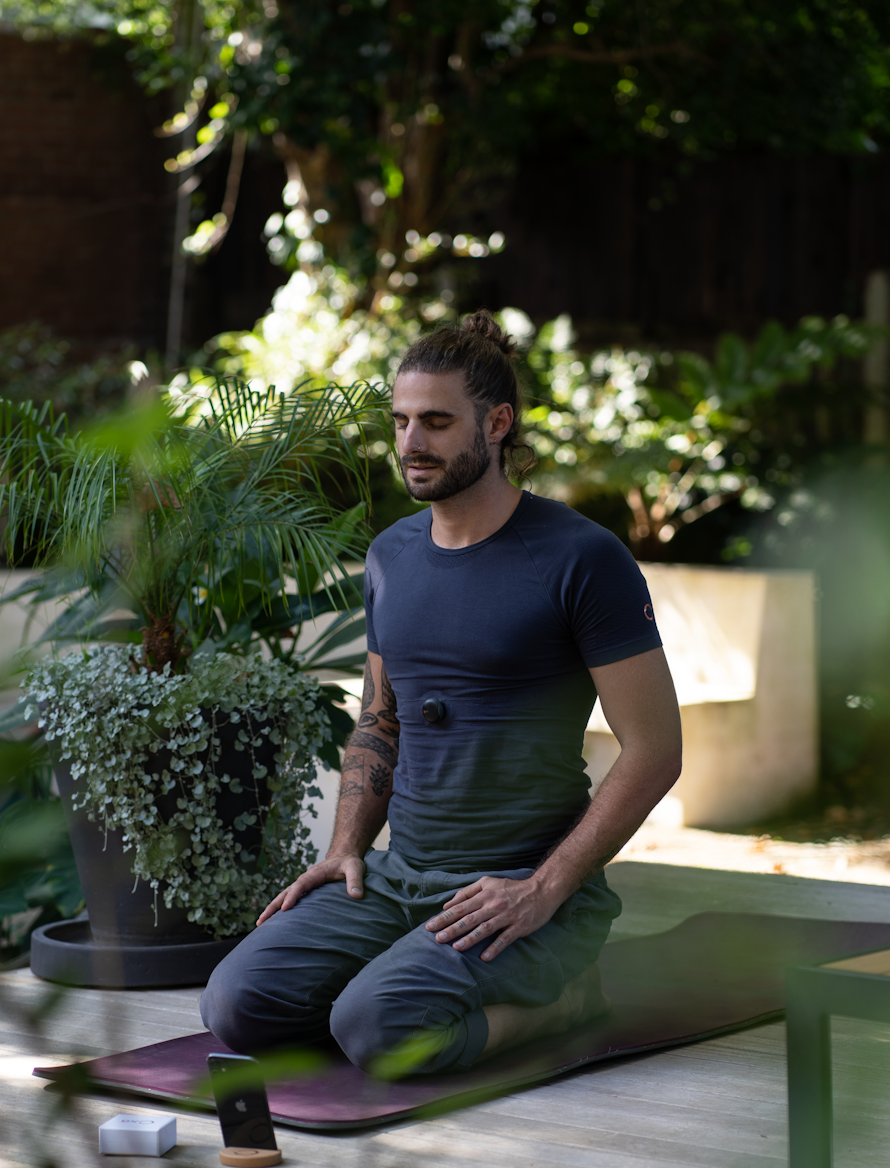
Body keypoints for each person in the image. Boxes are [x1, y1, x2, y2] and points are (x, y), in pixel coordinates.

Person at [200, 312, 682, 1074]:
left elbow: (656, 751)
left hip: (518, 883)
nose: (409, 444)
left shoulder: (582, 558)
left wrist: (547, 888)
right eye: (399, 422)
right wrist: (347, 846)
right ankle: (410, 967)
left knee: (377, 1029)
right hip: (400, 877)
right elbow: (380, 716)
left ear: (497, 424)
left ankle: (566, 998)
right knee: (237, 1006)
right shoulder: (392, 555)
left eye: (434, 421)